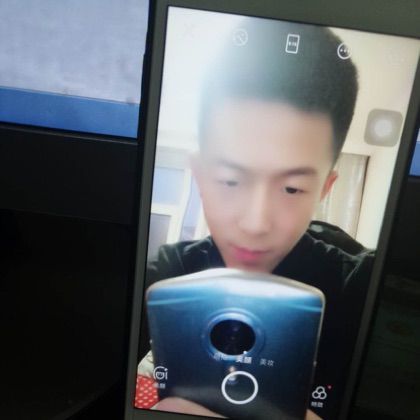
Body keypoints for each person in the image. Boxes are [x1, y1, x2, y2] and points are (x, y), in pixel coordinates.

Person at [136, 17, 374, 420]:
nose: (255, 223)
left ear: (325, 189)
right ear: (200, 177)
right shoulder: (164, 276)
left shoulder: (363, 289)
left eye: (292, 188)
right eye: (230, 180)